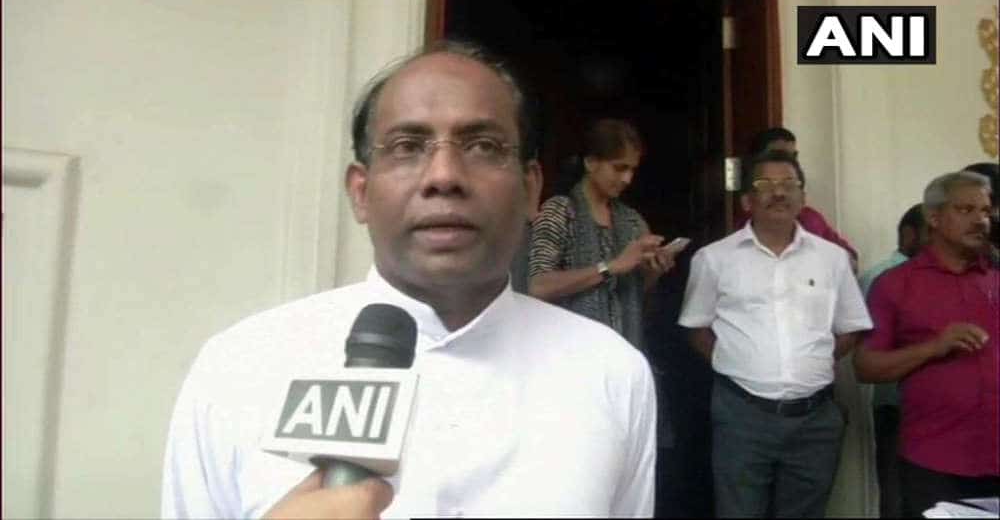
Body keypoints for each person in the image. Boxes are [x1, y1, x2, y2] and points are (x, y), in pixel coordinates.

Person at [161, 41, 657, 518]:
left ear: (530, 189)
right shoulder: (239, 369)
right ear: (361, 192)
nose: (444, 176)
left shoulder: (612, 374)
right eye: (407, 146)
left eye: (483, 146)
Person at [679, 149, 872, 518]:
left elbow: (850, 328)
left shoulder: (832, 258)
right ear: (747, 201)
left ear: (803, 197)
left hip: (815, 419)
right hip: (742, 415)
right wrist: (739, 364)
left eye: (788, 184)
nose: (779, 193)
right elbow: (696, 329)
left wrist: (810, 363)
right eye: (765, 184)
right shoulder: (714, 259)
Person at [854, 171, 999, 517]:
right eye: (965, 209)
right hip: (935, 460)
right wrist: (934, 347)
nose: (980, 220)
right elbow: (866, 367)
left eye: (985, 210)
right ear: (933, 217)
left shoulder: (995, 278)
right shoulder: (895, 285)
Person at [528, 118, 675, 350]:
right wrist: (611, 267)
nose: (627, 179)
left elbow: (638, 297)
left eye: (632, 169)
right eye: (619, 168)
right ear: (590, 163)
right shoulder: (559, 212)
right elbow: (537, 287)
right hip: (569, 351)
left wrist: (652, 272)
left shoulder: (633, 222)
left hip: (624, 352)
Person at [857, 202, 925, 518]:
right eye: (932, 231)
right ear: (910, 235)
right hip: (897, 404)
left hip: (931, 408)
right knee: (899, 495)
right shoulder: (886, 277)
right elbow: (869, 348)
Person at [740, 127, 859, 269]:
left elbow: (850, 260)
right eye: (779, 154)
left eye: (793, 155)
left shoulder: (811, 218)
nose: (779, 193)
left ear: (802, 198)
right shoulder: (736, 237)